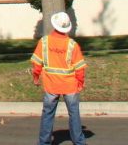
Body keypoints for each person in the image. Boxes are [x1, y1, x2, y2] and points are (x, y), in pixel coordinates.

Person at [31, 11, 87, 145]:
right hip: (70, 85)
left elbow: (37, 63)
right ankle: (79, 142)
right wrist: (80, 82)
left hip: (51, 84)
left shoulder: (44, 42)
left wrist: (36, 76)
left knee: (48, 114)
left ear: (55, 25)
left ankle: (44, 142)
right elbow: (79, 68)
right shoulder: (72, 45)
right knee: (74, 114)